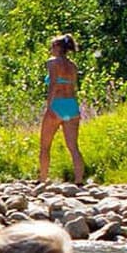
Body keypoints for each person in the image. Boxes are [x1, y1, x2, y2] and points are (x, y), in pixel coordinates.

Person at [39, 34, 87, 185]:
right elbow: (73, 87)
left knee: (45, 145)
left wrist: (49, 106)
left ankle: (43, 178)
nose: (51, 50)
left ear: (58, 48)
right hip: (71, 105)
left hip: (57, 103)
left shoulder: (53, 63)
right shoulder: (73, 66)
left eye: (52, 46)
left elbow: (53, 84)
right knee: (73, 147)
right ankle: (79, 180)